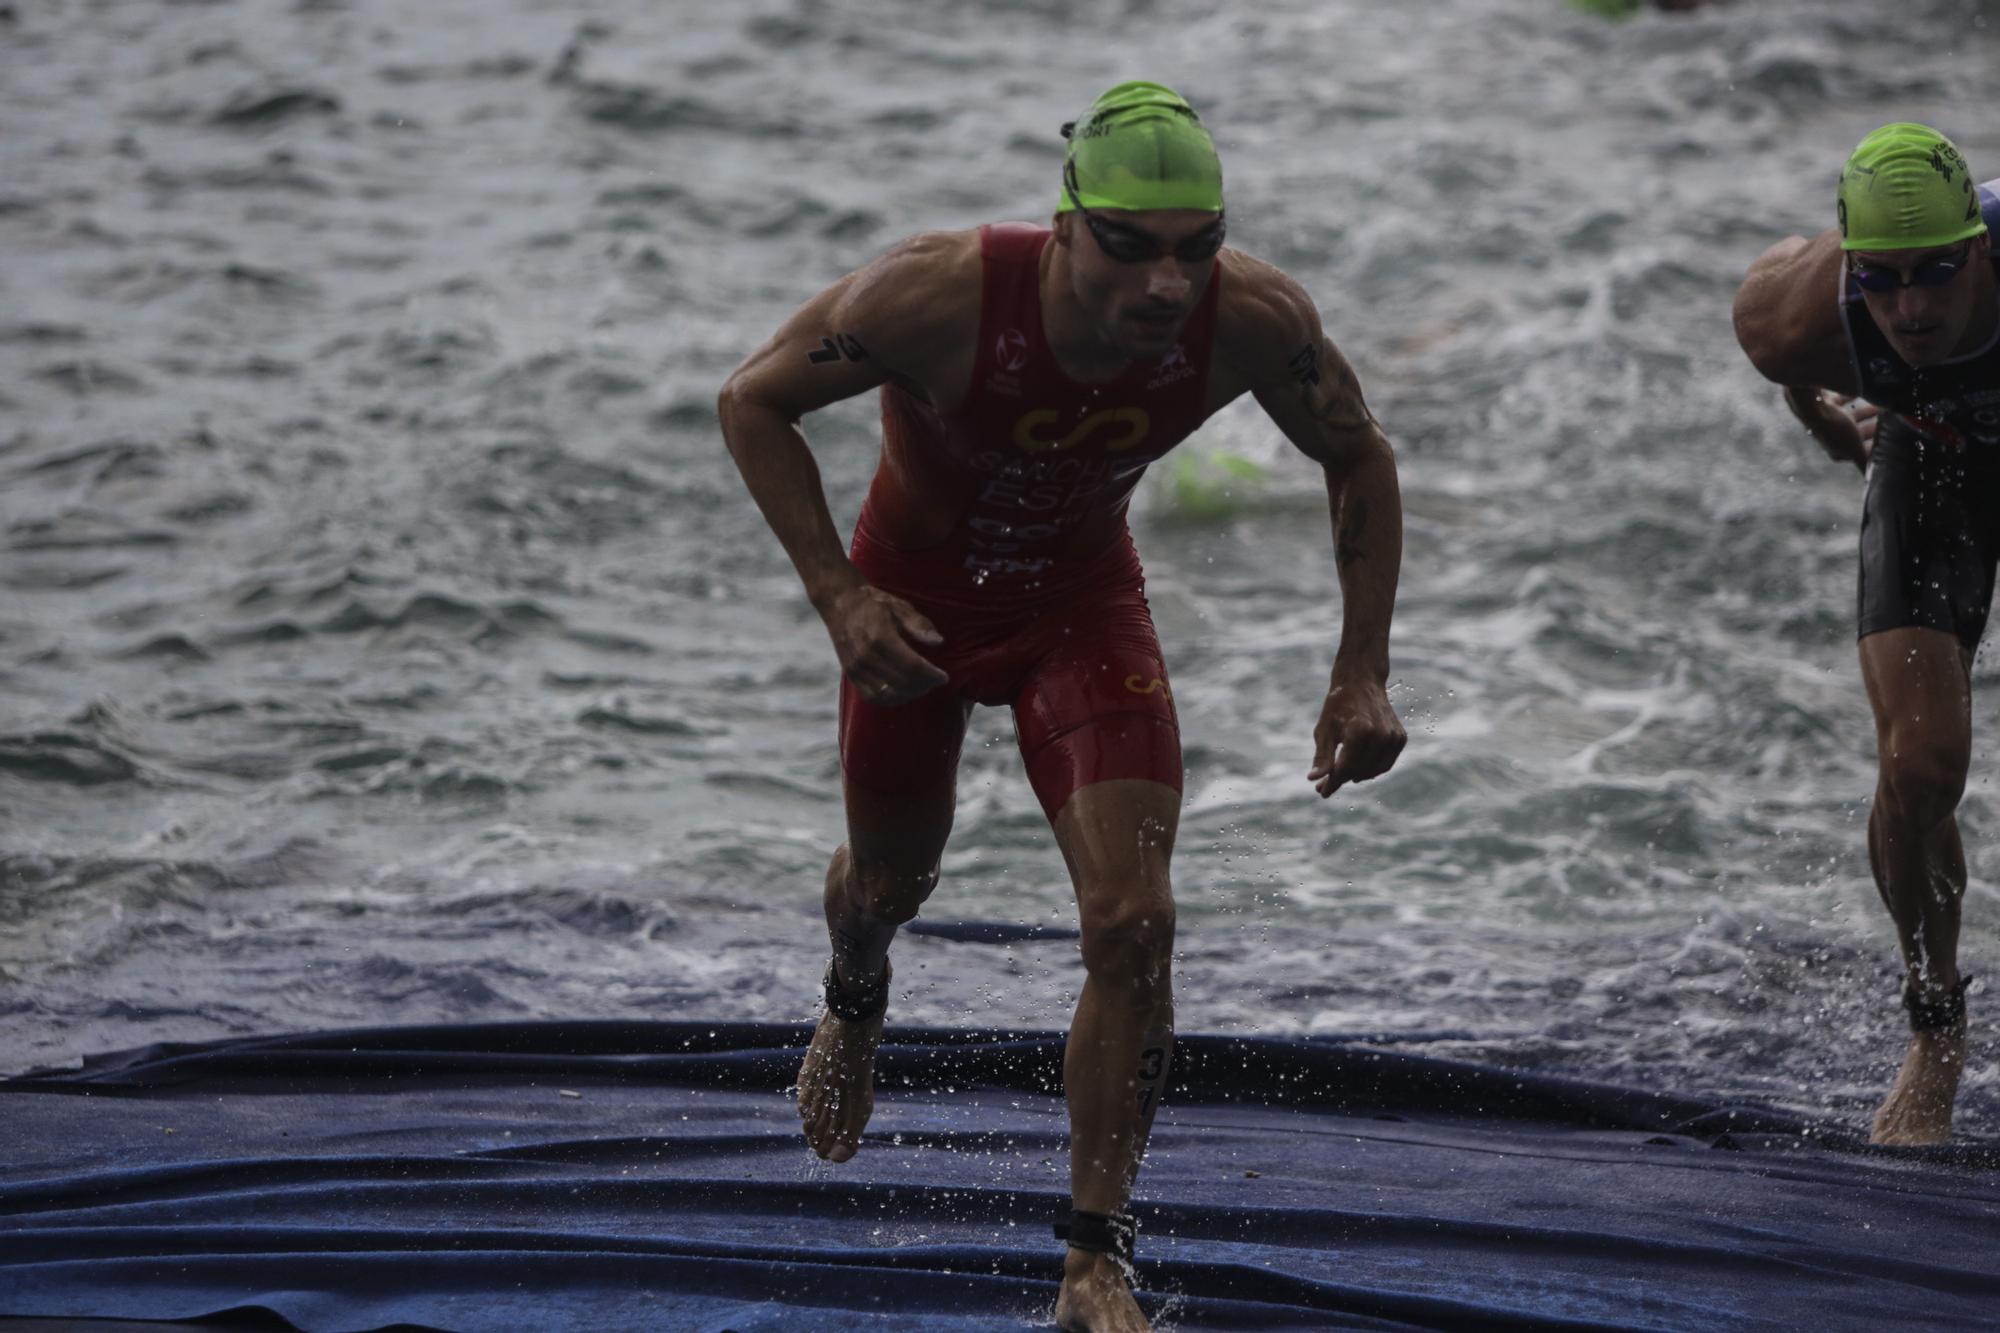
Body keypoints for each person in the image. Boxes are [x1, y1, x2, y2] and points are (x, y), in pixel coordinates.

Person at [717, 81, 1406, 1330]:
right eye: (1130, 250)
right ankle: (854, 998)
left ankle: (1093, 1256)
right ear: (1066, 226)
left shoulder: (1249, 321)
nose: (1163, 285)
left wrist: (1361, 667)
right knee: (887, 887)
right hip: (914, 617)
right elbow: (751, 399)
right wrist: (838, 598)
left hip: (1079, 613)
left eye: (1193, 250)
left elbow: (1357, 452)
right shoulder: (932, 296)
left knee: (1135, 920)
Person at [1734, 123, 1999, 1146]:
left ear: (1978, 246)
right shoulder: (1791, 315)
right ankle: (1934, 1026)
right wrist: (1822, 422)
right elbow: (1779, 365)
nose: (1911, 308)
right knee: (1918, 765)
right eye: (1882, 282)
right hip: (1929, 471)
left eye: (1937, 273)